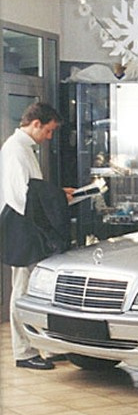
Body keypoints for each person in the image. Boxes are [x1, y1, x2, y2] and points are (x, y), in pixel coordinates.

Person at [0, 102, 71, 370]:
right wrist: (55, 197)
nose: (49, 137)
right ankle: (24, 351)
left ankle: (45, 346)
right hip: (21, 227)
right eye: (49, 131)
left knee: (37, 287)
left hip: (28, 225)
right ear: (36, 124)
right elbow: (22, 197)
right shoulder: (15, 150)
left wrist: (56, 194)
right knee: (22, 288)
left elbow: (33, 190)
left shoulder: (23, 148)